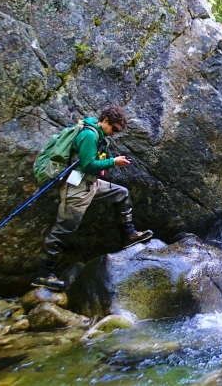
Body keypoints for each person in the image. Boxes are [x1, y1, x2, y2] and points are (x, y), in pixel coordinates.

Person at [32, 105, 153, 291]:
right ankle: (43, 274)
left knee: (121, 193)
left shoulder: (99, 136)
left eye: (117, 131)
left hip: (91, 184)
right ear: (105, 120)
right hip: (77, 189)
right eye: (114, 129)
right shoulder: (89, 135)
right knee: (63, 230)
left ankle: (129, 235)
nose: (114, 133)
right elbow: (88, 165)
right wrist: (114, 162)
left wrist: (110, 161)